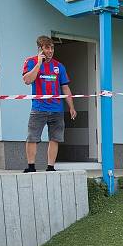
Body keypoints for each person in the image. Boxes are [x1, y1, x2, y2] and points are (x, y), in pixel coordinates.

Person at [21, 35, 76, 173]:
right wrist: (39, 64)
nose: (50, 51)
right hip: (38, 108)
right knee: (32, 137)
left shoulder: (59, 66)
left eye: (52, 48)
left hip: (57, 109)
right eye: (47, 48)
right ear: (40, 49)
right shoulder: (31, 62)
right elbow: (27, 80)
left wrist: (71, 106)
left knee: (55, 138)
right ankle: (31, 166)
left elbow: (65, 87)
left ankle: (51, 167)